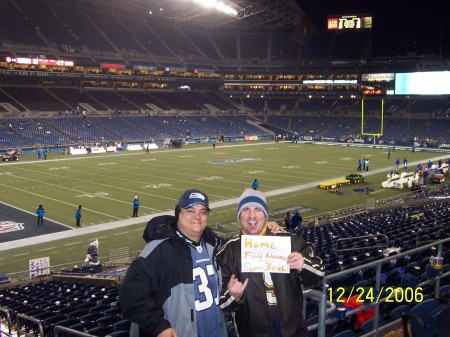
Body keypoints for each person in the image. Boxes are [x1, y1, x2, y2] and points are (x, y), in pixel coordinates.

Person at [120, 189, 285, 337]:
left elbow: (242, 248)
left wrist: (265, 228)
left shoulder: (215, 245)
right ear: (178, 214)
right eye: (190, 211)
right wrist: (159, 326)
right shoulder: (159, 250)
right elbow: (130, 295)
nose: (197, 217)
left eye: (203, 212)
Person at [217, 188, 324, 337]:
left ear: (266, 215)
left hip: (292, 329)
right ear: (239, 215)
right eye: (246, 210)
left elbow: (319, 274)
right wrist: (234, 296)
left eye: (258, 210)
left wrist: (303, 265)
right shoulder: (228, 252)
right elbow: (222, 303)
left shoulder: (289, 240)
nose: (252, 216)